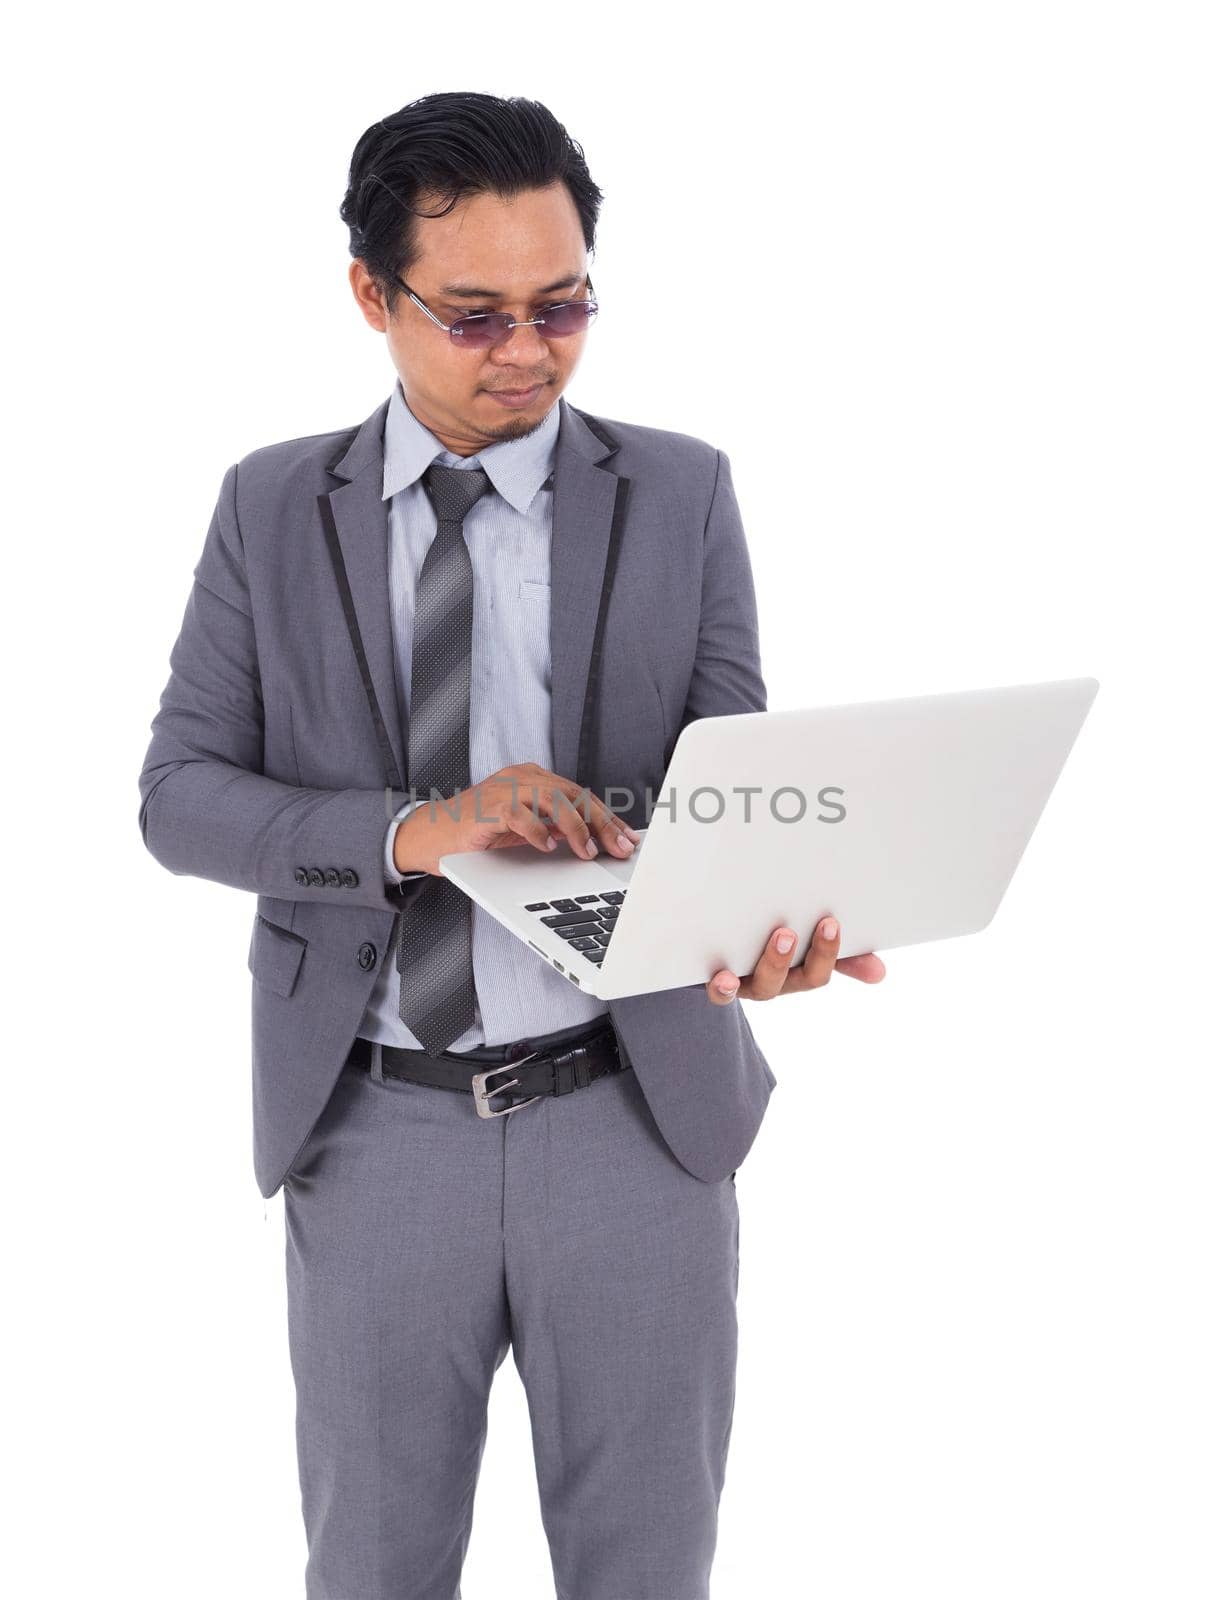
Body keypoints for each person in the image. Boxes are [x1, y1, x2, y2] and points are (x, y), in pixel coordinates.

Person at [137, 91, 885, 1600]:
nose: (528, 353)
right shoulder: (272, 507)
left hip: (634, 1117)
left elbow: (724, 784)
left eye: (564, 307)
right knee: (376, 1568)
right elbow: (181, 796)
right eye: (475, 316)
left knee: (646, 1570)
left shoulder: (679, 492)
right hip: (372, 1125)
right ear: (372, 295)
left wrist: (759, 925)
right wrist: (417, 829)